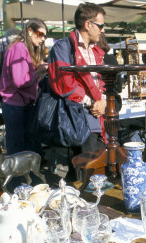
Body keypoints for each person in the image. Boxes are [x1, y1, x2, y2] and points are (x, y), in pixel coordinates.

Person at [48, 2, 107, 154]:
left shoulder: (96, 52)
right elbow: (64, 83)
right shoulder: (63, 47)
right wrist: (93, 103)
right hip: (76, 117)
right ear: (88, 24)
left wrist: (103, 101)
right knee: (84, 166)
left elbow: (101, 82)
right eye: (100, 26)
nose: (103, 30)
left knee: (96, 164)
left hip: (96, 116)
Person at [0, 18, 48, 155]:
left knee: (20, 146)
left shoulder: (20, 47)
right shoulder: (19, 47)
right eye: (40, 34)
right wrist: (38, 71)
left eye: (44, 35)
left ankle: (21, 175)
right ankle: (17, 176)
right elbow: (20, 81)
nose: (43, 39)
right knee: (18, 149)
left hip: (18, 104)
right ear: (30, 31)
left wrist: (37, 70)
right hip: (15, 105)